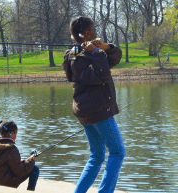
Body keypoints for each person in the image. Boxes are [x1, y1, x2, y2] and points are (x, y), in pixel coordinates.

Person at [62, 16, 126, 193]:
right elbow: (101, 76)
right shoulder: (77, 57)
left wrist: (105, 47)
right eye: (95, 31)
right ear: (87, 34)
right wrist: (97, 54)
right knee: (118, 151)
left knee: (97, 155)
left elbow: (114, 59)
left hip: (87, 110)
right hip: (98, 110)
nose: (97, 34)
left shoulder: (85, 53)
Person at [0, 121, 39, 191]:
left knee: (26, 164)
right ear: (11, 133)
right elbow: (20, 171)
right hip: (5, 183)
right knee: (35, 169)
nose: (16, 136)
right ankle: (30, 191)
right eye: (16, 133)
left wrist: (26, 161)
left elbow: (9, 164)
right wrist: (31, 161)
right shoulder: (11, 149)